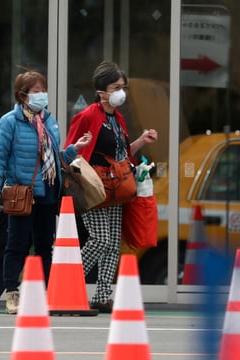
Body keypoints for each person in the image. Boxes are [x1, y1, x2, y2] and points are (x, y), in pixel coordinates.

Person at [0, 70, 92, 314]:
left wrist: (74, 149)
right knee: (17, 245)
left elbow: (54, 158)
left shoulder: (49, 120)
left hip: (48, 193)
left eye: (43, 90)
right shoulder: (9, 122)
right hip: (22, 193)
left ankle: (42, 294)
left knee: (45, 245)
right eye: (36, 91)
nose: (41, 95)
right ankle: (12, 293)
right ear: (22, 96)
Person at [64, 61, 158, 313]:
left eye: (123, 87)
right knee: (101, 239)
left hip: (118, 188)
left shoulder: (118, 119)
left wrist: (140, 141)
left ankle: (103, 295)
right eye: (116, 87)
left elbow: (123, 154)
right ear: (101, 91)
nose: (121, 92)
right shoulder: (86, 116)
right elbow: (68, 152)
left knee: (113, 243)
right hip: (94, 187)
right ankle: (65, 283)